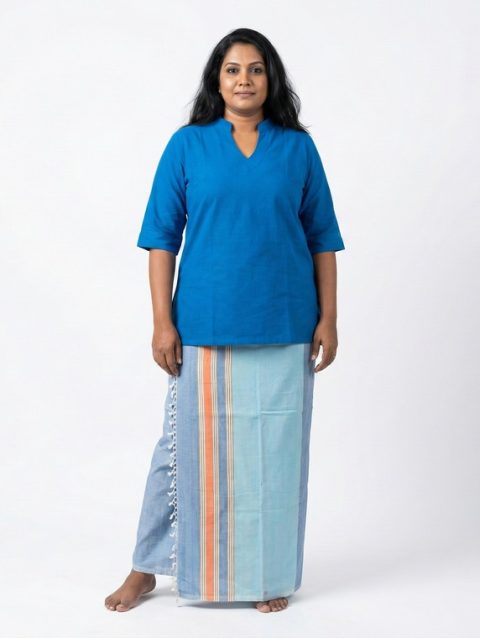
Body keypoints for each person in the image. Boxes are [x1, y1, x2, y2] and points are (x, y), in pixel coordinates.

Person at [105, 27, 345, 614]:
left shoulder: (297, 149)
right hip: (204, 323)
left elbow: (322, 239)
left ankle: (268, 573)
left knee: (275, 454)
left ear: (271, 79)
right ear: (217, 79)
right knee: (180, 452)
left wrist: (329, 319)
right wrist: (162, 323)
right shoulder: (188, 146)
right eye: (233, 69)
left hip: (284, 322)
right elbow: (161, 239)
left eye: (256, 69)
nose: (245, 79)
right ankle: (146, 567)